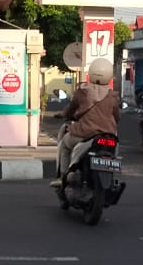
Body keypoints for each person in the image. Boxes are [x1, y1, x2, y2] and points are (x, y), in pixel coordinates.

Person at [51, 58, 120, 188]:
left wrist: (64, 115)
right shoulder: (113, 96)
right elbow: (117, 116)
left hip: (84, 134)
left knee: (65, 144)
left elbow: (71, 110)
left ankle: (63, 177)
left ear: (91, 73)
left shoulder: (83, 91)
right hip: (108, 135)